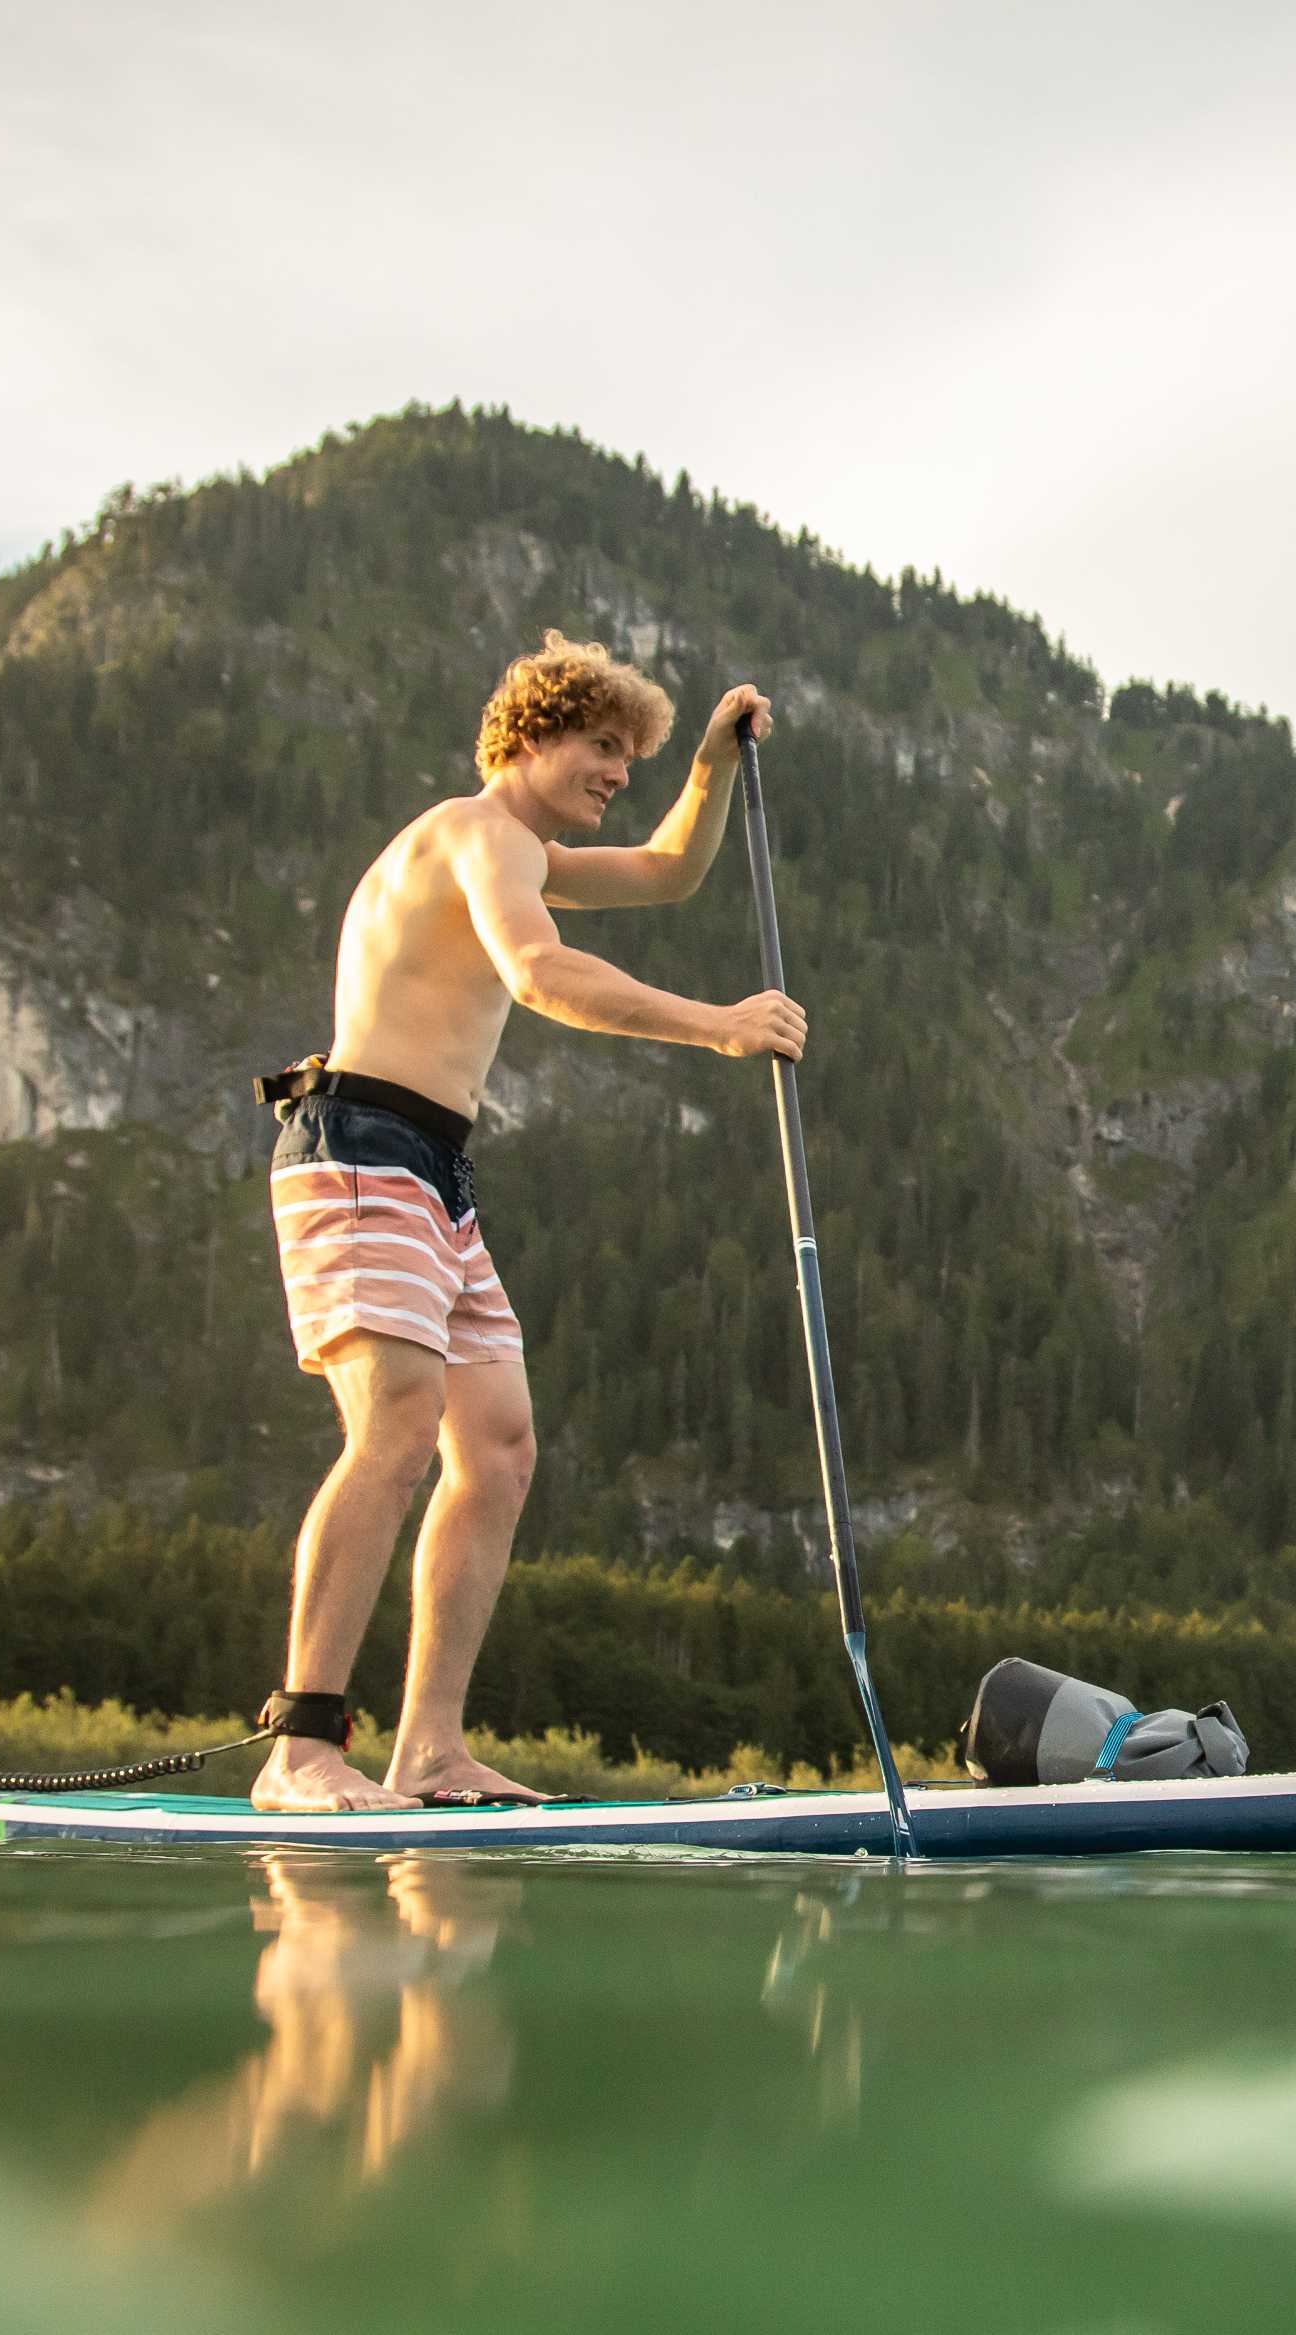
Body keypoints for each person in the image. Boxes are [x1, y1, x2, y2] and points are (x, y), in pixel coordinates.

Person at [247, 632, 804, 1812]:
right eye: (603, 746)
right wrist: (720, 1023)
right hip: (360, 1146)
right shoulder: (477, 834)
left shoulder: (521, 848)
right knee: (397, 1425)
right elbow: (541, 974)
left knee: (496, 1449)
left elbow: (667, 872)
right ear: (532, 735)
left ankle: (430, 1747)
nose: (618, 773)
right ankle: (300, 1747)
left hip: (435, 1168)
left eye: (631, 755)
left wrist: (708, 761)